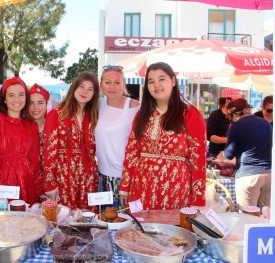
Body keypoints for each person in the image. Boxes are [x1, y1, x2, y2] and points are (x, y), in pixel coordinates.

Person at [119, 62, 206, 210]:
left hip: (174, 189)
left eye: (161, 79)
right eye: (151, 81)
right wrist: (125, 187)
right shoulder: (142, 114)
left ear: (173, 81)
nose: (156, 85)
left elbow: (198, 159)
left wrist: (197, 200)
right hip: (140, 187)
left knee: (170, 231)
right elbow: (132, 152)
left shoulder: (190, 114)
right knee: (140, 231)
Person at [43, 71, 100, 211]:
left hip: (88, 176)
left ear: (94, 94)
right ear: (74, 88)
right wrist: (50, 183)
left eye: (90, 89)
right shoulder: (56, 113)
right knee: (64, 219)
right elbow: (49, 152)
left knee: (86, 218)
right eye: (81, 86)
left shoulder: (93, 116)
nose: (85, 91)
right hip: (64, 175)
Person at [0, 77, 40, 205]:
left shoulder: (31, 125)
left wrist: (38, 188)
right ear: (5, 100)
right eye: (11, 95)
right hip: (3, 180)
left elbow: (34, 161)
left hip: (26, 181)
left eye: (21, 94)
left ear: (26, 97)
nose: (17, 99)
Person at [95, 65, 140, 210]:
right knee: (104, 220)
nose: (112, 87)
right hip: (102, 177)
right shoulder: (97, 106)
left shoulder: (134, 107)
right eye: (108, 82)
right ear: (101, 84)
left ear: (123, 85)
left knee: (125, 223)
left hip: (125, 179)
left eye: (117, 82)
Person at [224, 98, 272, 209]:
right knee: (266, 216)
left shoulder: (236, 126)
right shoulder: (265, 123)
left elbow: (228, 154)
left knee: (248, 217)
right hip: (269, 174)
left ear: (233, 114)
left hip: (248, 175)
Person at [28, 84, 50, 200]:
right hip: (27, 184)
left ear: (47, 104)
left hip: (50, 187)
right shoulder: (21, 128)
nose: (35, 107)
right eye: (31, 103)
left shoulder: (54, 128)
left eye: (40, 103)